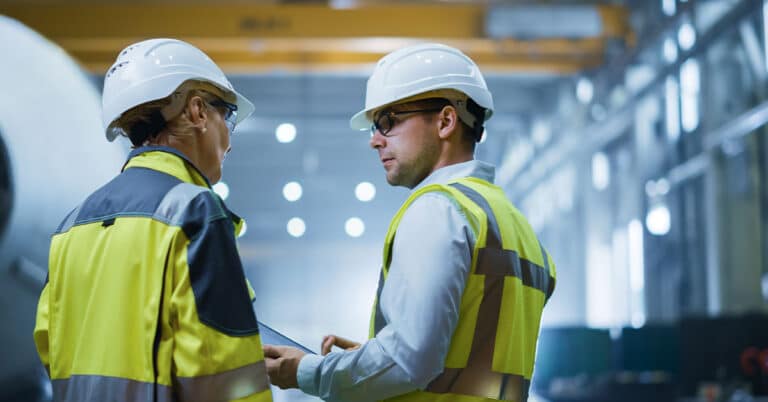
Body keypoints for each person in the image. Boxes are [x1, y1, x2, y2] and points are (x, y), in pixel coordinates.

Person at [264, 43, 557, 402]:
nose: (375, 140)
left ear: (446, 121)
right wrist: (369, 361)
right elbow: (463, 362)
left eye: (389, 121)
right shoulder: (513, 225)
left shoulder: (437, 211)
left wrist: (305, 370)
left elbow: (410, 360)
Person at [33, 38, 272, 402]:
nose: (230, 139)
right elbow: (222, 371)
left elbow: (50, 346)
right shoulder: (194, 212)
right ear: (196, 112)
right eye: (228, 115)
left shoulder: (71, 226)